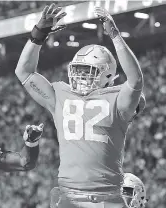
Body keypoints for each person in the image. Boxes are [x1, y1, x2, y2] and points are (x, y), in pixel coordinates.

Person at [15, 3, 146, 208]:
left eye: (89, 71)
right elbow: (23, 72)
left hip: (107, 196)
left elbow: (136, 80)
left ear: (108, 75)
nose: (82, 76)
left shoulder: (117, 99)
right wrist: (39, 33)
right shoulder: (61, 95)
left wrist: (115, 36)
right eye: (80, 69)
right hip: (70, 196)